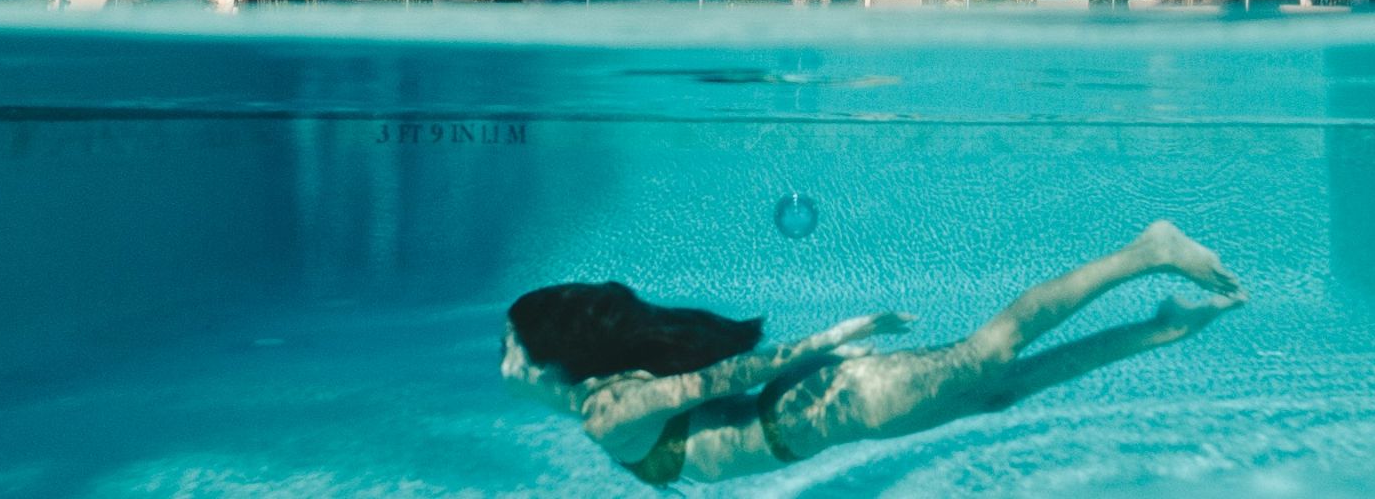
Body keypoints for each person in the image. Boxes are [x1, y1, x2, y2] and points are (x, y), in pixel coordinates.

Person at [500, 222, 1245, 485]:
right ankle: (1160, 327)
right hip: (825, 415)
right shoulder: (597, 398)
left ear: (546, 355)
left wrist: (840, 335)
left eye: (510, 347)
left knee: (990, 355)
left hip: (817, 409)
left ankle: (1148, 252)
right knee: (997, 392)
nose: (502, 359)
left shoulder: (606, 413)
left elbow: (725, 374)